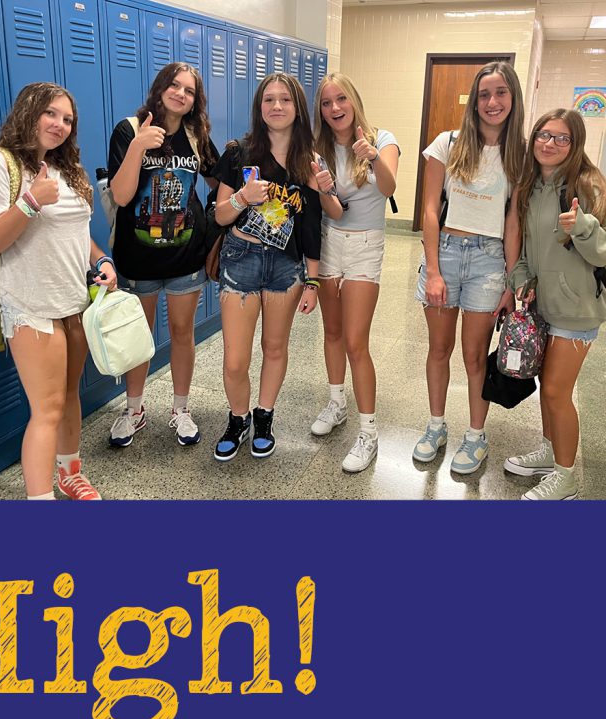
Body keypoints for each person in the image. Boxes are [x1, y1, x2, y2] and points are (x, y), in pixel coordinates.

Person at [0, 83, 116, 499]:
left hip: (75, 301)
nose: (60, 125)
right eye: (51, 113)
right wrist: (31, 201)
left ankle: (69, 475)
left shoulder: (66, 169)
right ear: (28, 111)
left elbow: (76, 234)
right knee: (46, 410)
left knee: (70, 397)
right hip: (31, 306)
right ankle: (40, 499)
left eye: (68, 119)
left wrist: (100, 261)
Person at [408, 61, 525, 475]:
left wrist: (512, 282)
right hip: (447, 252)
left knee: (475, 356)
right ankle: (435, 426)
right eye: (484, 94)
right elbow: (428, 209)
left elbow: (512, 223)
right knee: (439, 349)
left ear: (513, 98)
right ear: (475, 101)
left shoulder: (519, 154)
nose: (492, 102)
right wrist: (434, 270)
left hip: (490, 262)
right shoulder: (448, 142)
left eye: (501, 93)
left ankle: (476, 434)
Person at [208, 72, 325, 462]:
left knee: (275, 347)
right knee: (235, 358)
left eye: (285, 100)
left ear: (297, 108)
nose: (277, 107)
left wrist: (313, 281)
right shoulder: (238, 152)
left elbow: (311, 225)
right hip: (241, 259)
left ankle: (264, 416)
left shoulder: (309, 161)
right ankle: (237, 418)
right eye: (269, 100)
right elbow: (220, 216)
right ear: (260, 108)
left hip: (285, 266)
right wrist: (242, 198)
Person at [102, 63, 218, 447]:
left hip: (186, 258)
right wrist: (138, 148)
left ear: (194, 100)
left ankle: (181, 409)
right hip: (139, 259)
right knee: (140, 336)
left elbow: (218, 178)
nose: (181, 94)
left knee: (183, 334)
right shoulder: (129, 130)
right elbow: (120, 195)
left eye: (189, 90)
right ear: (160, 87)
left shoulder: (195, 134)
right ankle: (134, 411)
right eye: (175, 85)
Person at [501, 109, 605, 499]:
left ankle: (567, 477)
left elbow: (602, 253)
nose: (549, 143)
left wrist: (581, 227)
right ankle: (551, 451)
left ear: (574, 143)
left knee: (558, 392)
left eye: (561, 138)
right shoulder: (532, 186)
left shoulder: (587, 185)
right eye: (543, 135)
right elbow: (529, 248)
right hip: (543, 305)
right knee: (547, 386)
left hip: (577, 308)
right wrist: (519, 279)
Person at [309, 74, 400, 470]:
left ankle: (369, 431)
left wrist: (373, 156)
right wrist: (323, 189)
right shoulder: (319, 149)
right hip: (332, 241)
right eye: (326, 103)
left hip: (366, 245)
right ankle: (336, 403)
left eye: (340, 99)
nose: (334, 109)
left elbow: (390, 187)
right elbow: (335, 212)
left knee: (356, 341)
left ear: (353, 100)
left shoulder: (383, 138)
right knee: (332, 333)